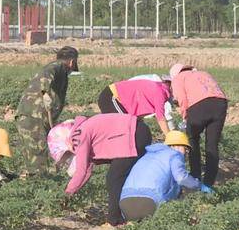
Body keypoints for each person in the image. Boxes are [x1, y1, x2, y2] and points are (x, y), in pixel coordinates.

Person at [48, 114, 152, 226]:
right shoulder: (81, 129)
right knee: (119, 175)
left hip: (134, 134)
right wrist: (70, 193)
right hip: (136, 132)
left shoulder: (78, 136)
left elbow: (81, 171)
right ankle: (132, 212)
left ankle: (115, 221)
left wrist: (66, 194)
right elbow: (86, 170)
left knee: (114, 178)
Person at [15, 46, 79, 178]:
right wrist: (45, 93)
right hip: (33, 117)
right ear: (72, 62)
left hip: (32, 118)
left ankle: (36, 183)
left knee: (34, 155)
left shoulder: (60, 71)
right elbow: (46, 75)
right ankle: (40, 187)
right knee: (38, 157)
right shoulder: (57, 66)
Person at [169, 63, 227, 193]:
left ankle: (195, 177)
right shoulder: (204, 73)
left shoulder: (179, 78)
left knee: (192, 139)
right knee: (212, 145)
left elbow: (182, 100)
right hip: (220, 103)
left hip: (200, 105)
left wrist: (185, 117)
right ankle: (208, 184)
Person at [119, 131, 201, 221]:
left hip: (125, 203)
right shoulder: (174, 155)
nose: (186, 153)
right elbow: (181, 178)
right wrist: (198, 185)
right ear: (177, 146)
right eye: (186, 149)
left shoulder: (147, 155)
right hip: (150, 202)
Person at [97, 77, 172, 136]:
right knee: (124, 127)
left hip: (119, 101)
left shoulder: (159, 88)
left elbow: (139, 109)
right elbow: (161, 118)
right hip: (111, 96)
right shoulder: (160, 92)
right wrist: (171, 139)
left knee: (133, 129)